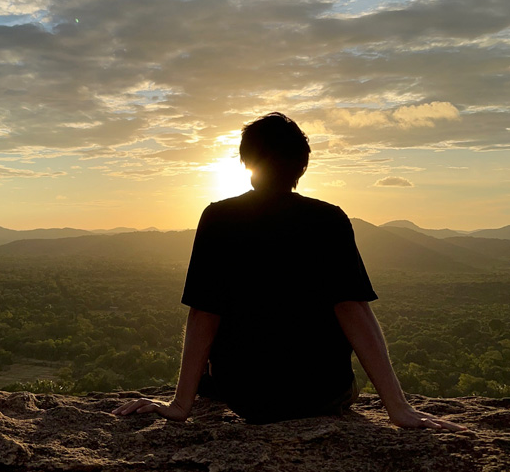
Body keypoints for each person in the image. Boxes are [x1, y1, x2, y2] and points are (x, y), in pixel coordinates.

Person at [113, 113, 465, 430]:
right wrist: (398, 409)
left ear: (247, 162)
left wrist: (179, 405)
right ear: (302, 167)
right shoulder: (329, 219)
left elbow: (205, 312)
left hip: (245, 396)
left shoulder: (218, 218)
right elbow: (352, 309)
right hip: (321, 394)